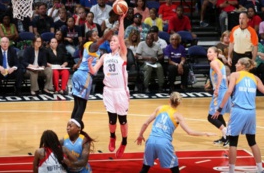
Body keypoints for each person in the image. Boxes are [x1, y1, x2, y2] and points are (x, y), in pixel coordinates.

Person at [135, 92, 216, 173]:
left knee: (145, 169)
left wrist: (140, 135)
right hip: (164, 143)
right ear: (179, 103)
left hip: (151, 141)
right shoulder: (177, 115)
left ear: (169, 100)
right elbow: (190, 132)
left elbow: (145, 123)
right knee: (175, 170)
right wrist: (205, 133)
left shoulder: (159, 108)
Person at [213, 57, 264, 173]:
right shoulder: (255, 78)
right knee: (252, 141)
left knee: (233, 141)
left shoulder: (235, 75)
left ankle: (231, 170)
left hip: (238, 111)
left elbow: (229, 91)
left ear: (242, 66)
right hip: (251, 112)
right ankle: (260, 169)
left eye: (237, 63)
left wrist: (219, 108)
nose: (235, 65)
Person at [88, 13, 129, 158]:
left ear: (119, 44)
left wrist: (121, 20)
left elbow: (122, 37)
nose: (112, 42)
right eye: (111, 40)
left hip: (121, 91)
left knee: (122, 120)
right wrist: (89, 66)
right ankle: (113, 136)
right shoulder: (104, 56)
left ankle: (124, 142)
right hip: (108, 91)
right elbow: (94, 71)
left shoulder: (122, 54)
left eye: (114, 40)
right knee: (112, 119)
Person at [71, 29, 115, 120]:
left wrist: (77, 65)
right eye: (94, 35)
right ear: (89, 38)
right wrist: (111, 31)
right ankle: (76, 128)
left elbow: (83, 57)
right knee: (82, 105)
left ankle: (72, 126)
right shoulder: (92, 45)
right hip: (85, 76)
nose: (97, 37)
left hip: (77, 74)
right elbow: (102, 40)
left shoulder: (87, 45)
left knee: (77, 104)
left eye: (97, 35)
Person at [207, 46, 232, 147]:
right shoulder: (220, 62)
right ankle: (225, 138)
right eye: (207, 52)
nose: (208, 54)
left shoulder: (213, 62)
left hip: (220, 91)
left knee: (211, 117)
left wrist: (217, 89)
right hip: (224, 90)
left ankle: (227, 133)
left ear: (216, 53)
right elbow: (223, 77)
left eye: (210, 52)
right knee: (219, 115)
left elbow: (220, 75)